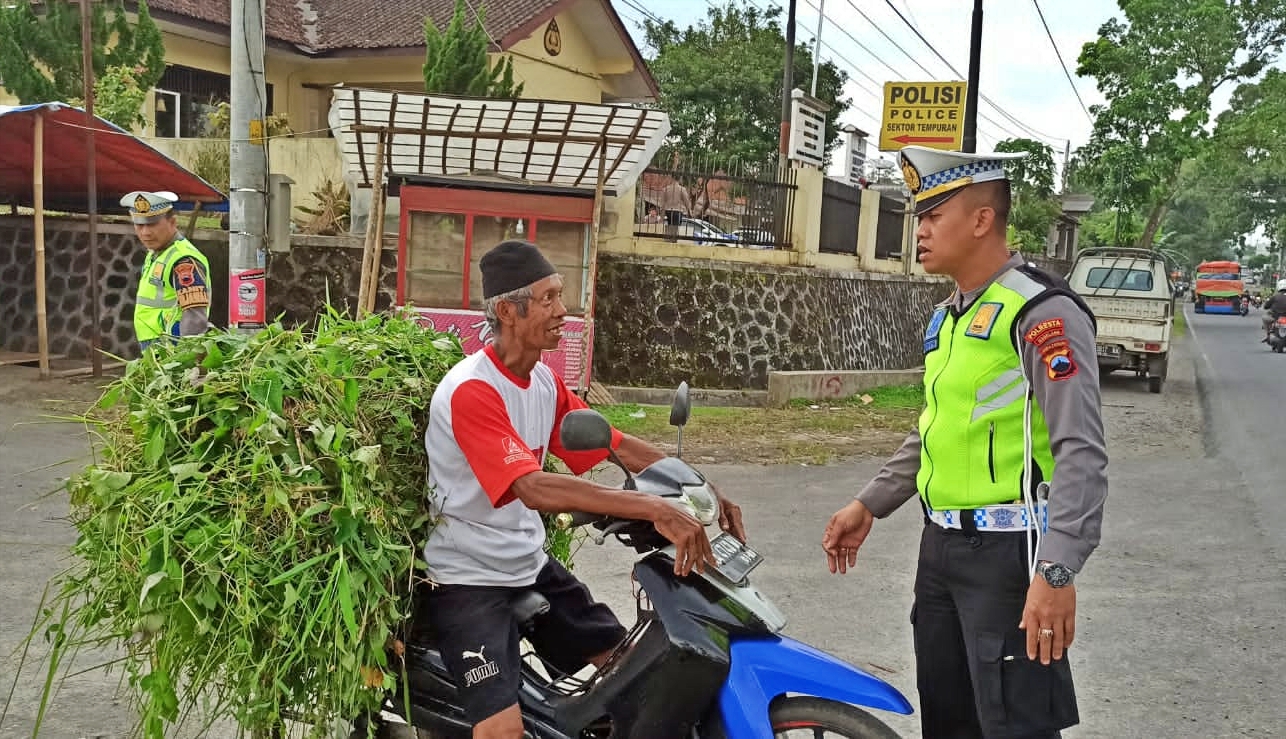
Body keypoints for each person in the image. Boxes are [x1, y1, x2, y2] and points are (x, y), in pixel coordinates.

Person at [821, 146, 1109, 739]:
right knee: (949, 722)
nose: (919, 231)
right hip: (941, 551)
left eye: (932, 216)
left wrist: (1056, 572)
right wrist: (869, 502)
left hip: (1010, 557)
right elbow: (934, 425)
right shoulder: (947, 318)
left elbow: (1081, 449)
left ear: (981, 221)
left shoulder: (1041, 313)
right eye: (917, 217)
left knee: (1013, 726)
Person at [416, 239, 747, 739]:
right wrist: (651, 507)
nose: (562, 310)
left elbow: (612, 443)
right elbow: (532, 487)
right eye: (548, 298)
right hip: (467, 580)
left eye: (559, 296)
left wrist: (699, 486)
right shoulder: (472, 391)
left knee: (631, 673)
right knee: (501, 731)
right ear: (508, 310)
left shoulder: (542, 382)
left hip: (525, 563)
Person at [120, 190, 212, 351]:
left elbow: (195, 318)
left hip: (173, 352)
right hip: (157, 348)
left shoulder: (183, 260)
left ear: (173, 222)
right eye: (139, 225)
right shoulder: (155, 254)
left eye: (152, 224)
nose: (145, 232)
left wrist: (189, 361)